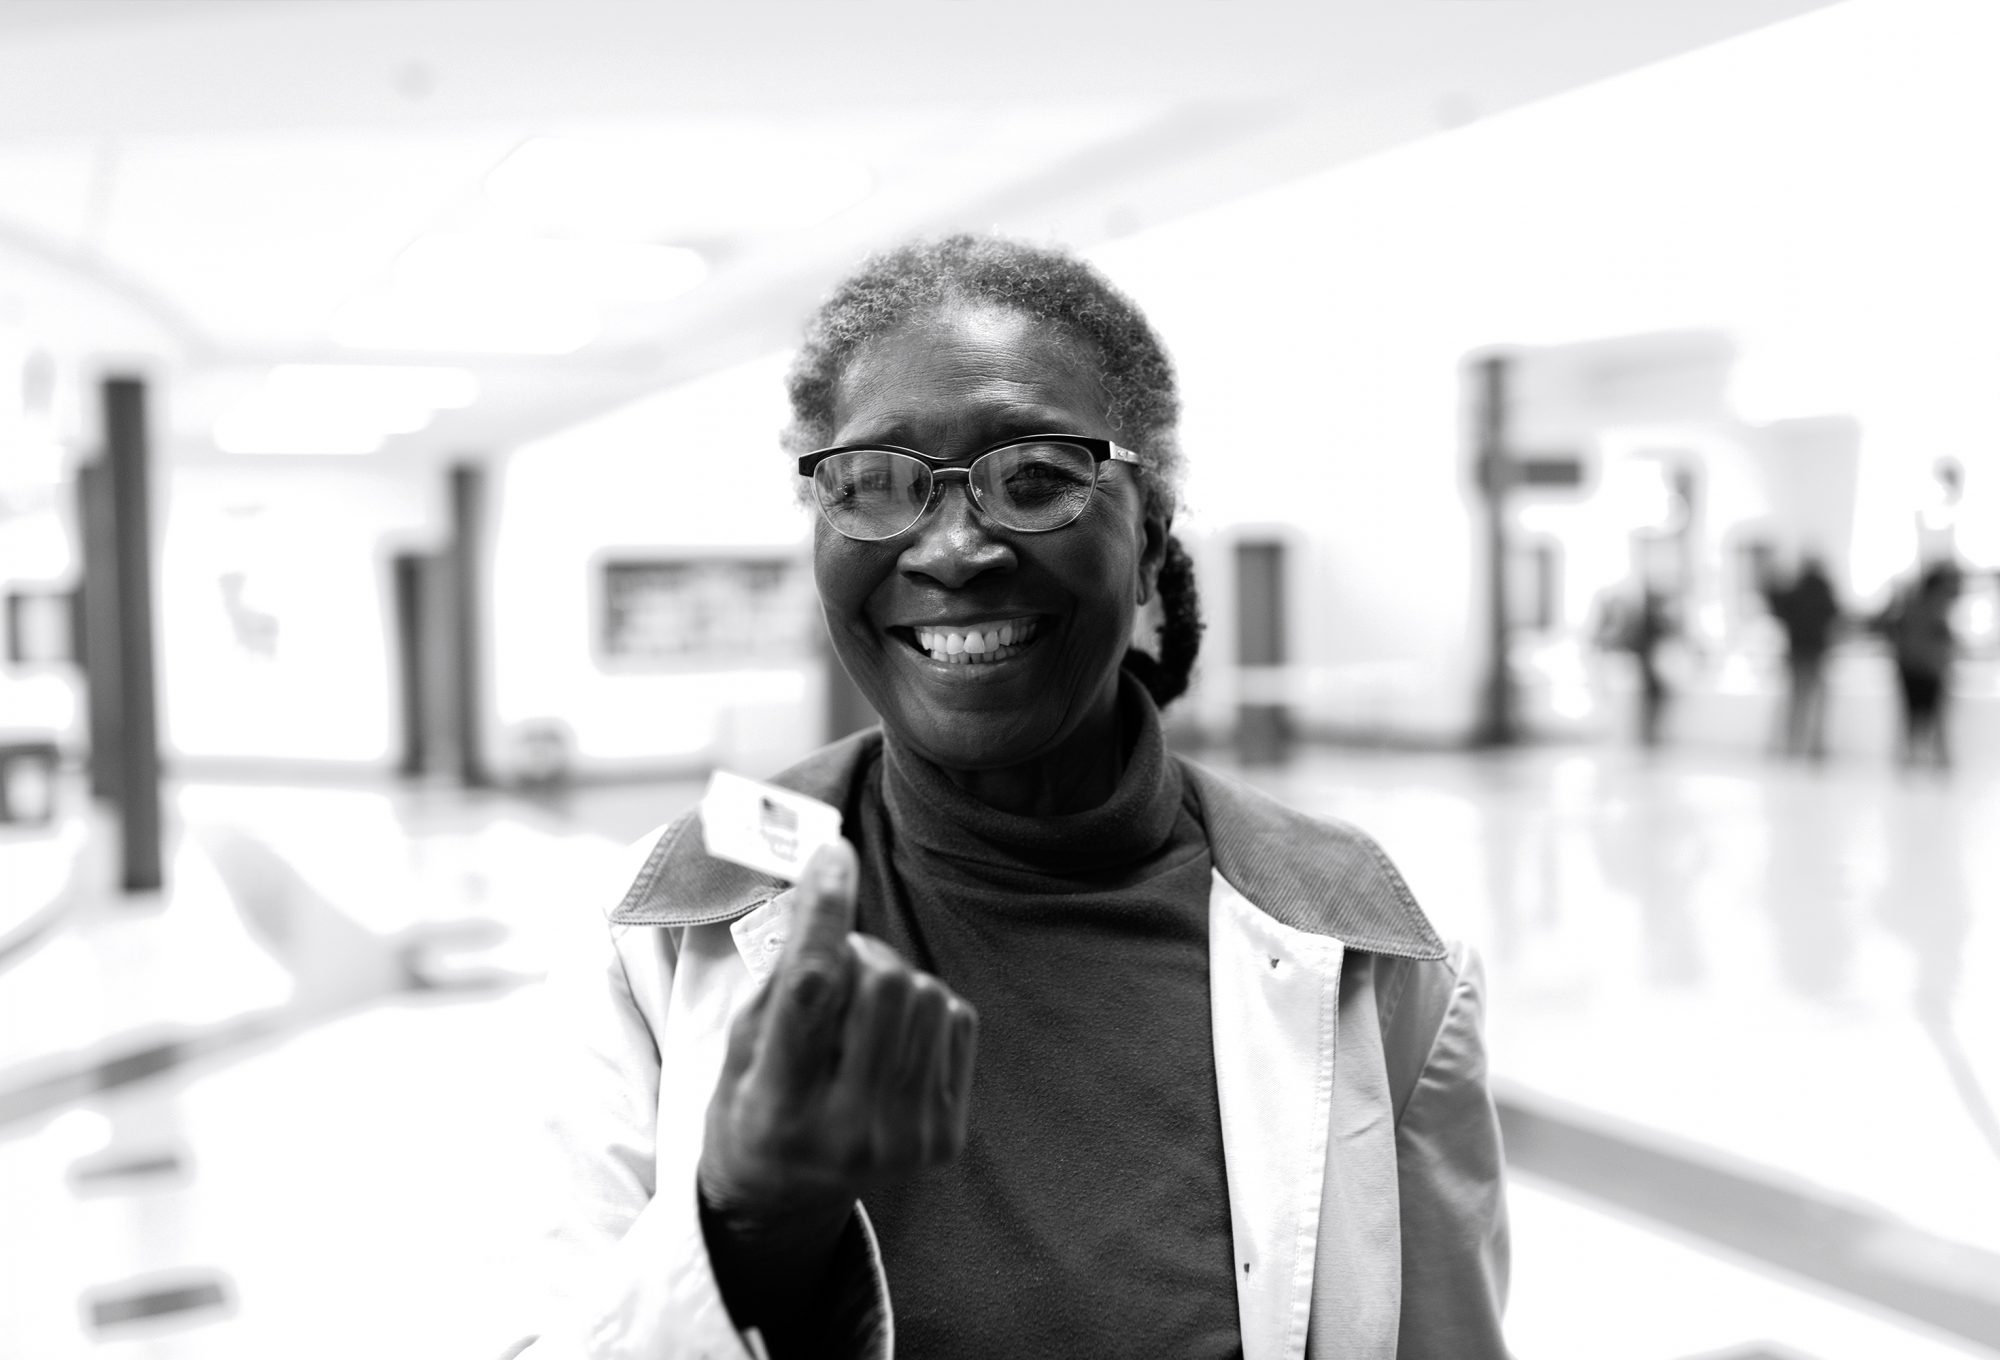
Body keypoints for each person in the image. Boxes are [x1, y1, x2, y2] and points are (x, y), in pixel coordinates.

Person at [513, 236, 1509, 1359]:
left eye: (1035, 478)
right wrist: (743, 1224)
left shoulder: (1374, 951)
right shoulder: (656, 936)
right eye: (872, 483)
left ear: (1148, 548)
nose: (950, 547)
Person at [1763, 554, 1843, 759]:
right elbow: (1835, 619)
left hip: (1798, 651)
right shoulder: (1823, 592)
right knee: (1815, 701)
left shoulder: (1797, 592)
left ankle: (1792, 744)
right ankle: (1814, 746)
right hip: (1815, 652)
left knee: (1796, 700)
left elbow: (1777, 607)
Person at [1882, 562, 1960, 771]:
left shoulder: (1917, 606)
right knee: (1923, 717)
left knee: (1920, 717)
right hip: (1922, 669)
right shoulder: (1928, 609)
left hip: (1918, 668)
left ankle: (1921, 758)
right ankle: (1926, 758)